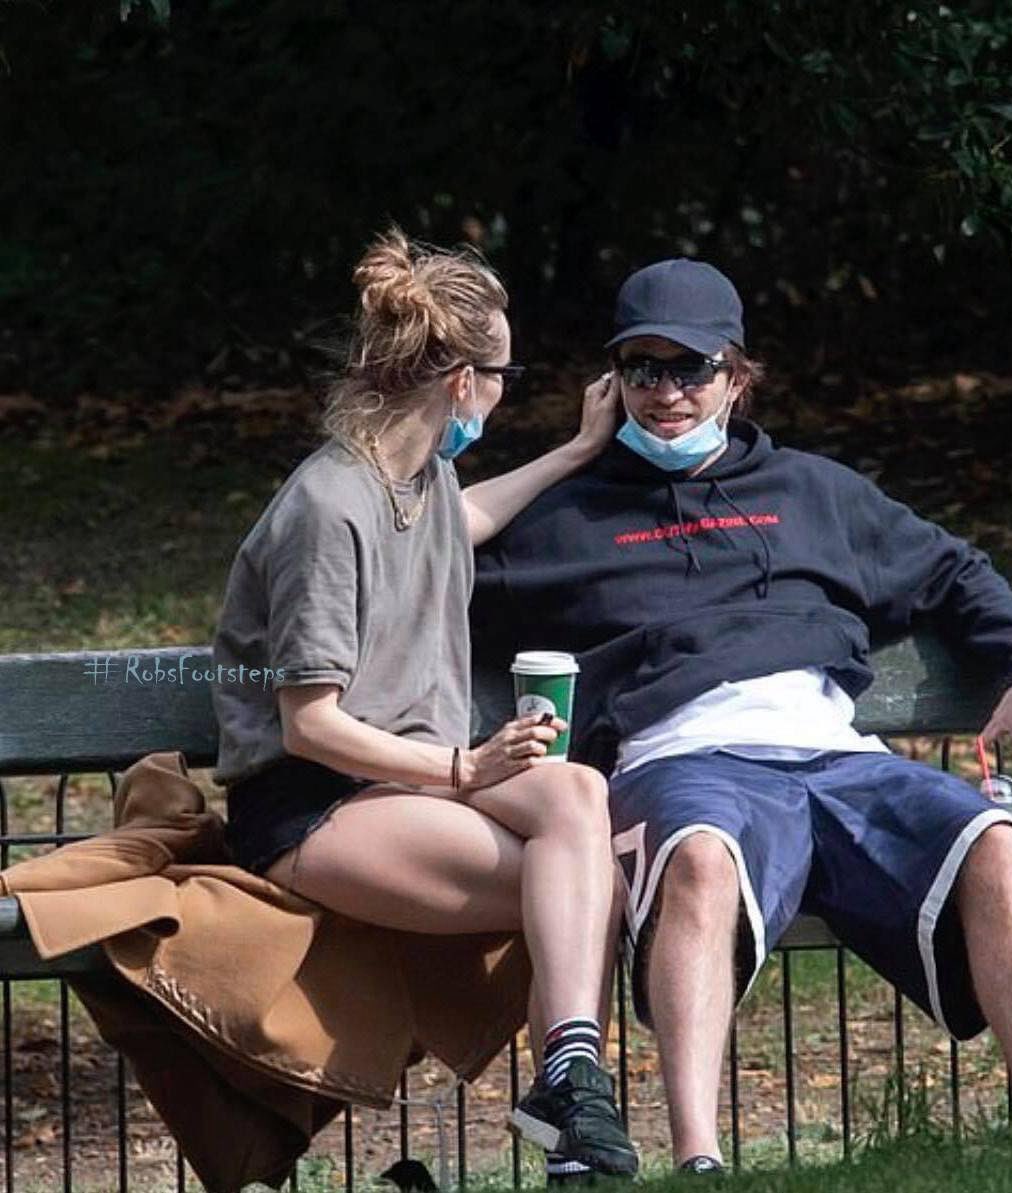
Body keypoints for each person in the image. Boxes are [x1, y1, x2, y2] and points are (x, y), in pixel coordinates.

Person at [472, 258, 1012, 1173]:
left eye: (691, 368)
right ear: (610, 380)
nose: (666, 392)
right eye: (642, 368)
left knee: (991, 838)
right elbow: (418, 561)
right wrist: (567, 454)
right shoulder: (562, 518)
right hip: (682, 759)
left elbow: (957, 573)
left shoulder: (815, 493)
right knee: (702, 858)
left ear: (737, 376)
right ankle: (700, 1160)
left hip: (836, 753)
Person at [210, 227, 637, 1181]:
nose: (500, 392)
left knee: (575, 801)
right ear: (459, 382)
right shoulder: (327, 508)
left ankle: (567, 1083)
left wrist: (574, 451)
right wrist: (463, 768)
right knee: (582, 883)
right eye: (502, 373)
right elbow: (307, 724)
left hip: (410, 783)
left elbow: (464, 518)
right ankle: (571, 1122)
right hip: (314, 799)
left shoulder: (421, 474)